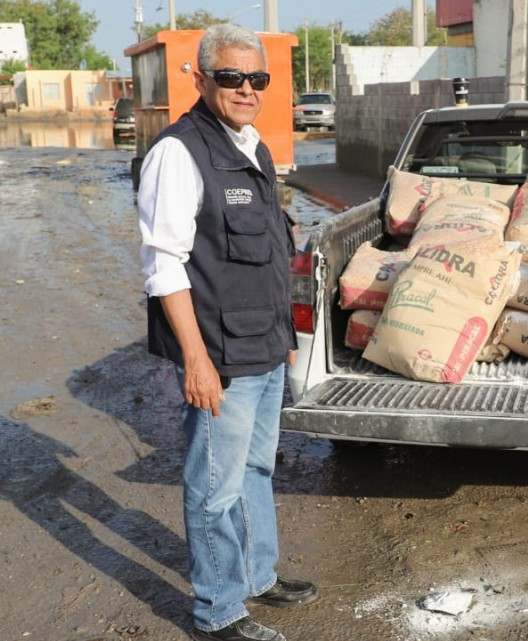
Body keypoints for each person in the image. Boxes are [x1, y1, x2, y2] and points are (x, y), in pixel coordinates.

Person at [138, 24, 317, 641]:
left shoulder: (252, 145)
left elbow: (268, 251)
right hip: (220, 357)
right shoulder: (178, 153)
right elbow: (164, 267)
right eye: (230, 77)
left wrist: (285, 339)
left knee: (257, 471)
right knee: (214, 487)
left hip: (264, 347)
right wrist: (195, 360)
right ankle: (219, 612)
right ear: (202, 78)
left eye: (256, 78)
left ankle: (257, 576)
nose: (245, 89)